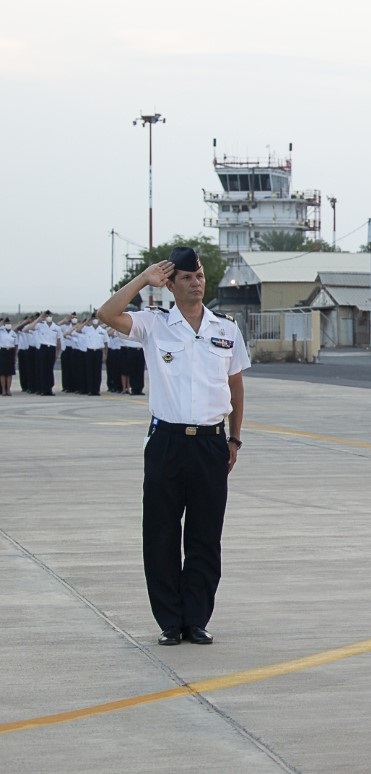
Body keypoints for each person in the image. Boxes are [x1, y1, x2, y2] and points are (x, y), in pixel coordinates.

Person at [98, 246, 249, 647]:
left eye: (199, 276)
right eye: (187, 278)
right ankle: (169, 620)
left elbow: (236, 386)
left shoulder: (226, 328)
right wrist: (141, 279)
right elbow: (107, 314)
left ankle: (196, 617)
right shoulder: (154, 324)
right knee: (162, 533)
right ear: (170, 283)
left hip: (211, 444)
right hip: (166, 441)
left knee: (204, 535)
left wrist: (235, 437)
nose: (196, 283)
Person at [0, 317, 15, 396]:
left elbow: (16, 345)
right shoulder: (1, 332)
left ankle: (8, 389)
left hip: (11, 351)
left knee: (9, 372)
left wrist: (15, 355)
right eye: (6, 323)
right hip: (3, 351)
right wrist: (1, 323)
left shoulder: (13, 333)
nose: (8, 325)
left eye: (9, 323)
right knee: (2, 373)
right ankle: (3, 390)